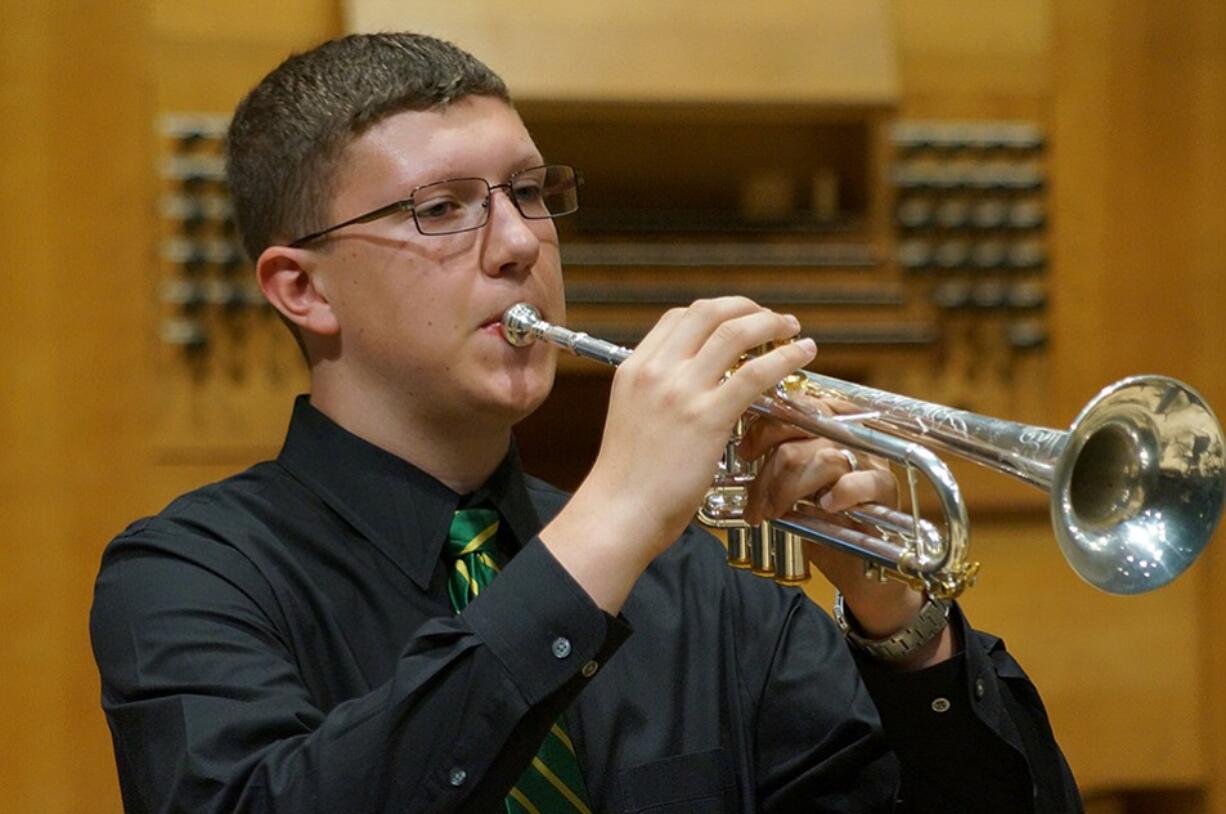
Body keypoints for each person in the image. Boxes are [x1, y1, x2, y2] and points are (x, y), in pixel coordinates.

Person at [90, 32, 1081, 813]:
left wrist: (906, 642)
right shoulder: (189, 576)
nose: (521, 242)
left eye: (528, 193)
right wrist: (608, 521)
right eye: (442, 208)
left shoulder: (699, 587)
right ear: (302, 287)